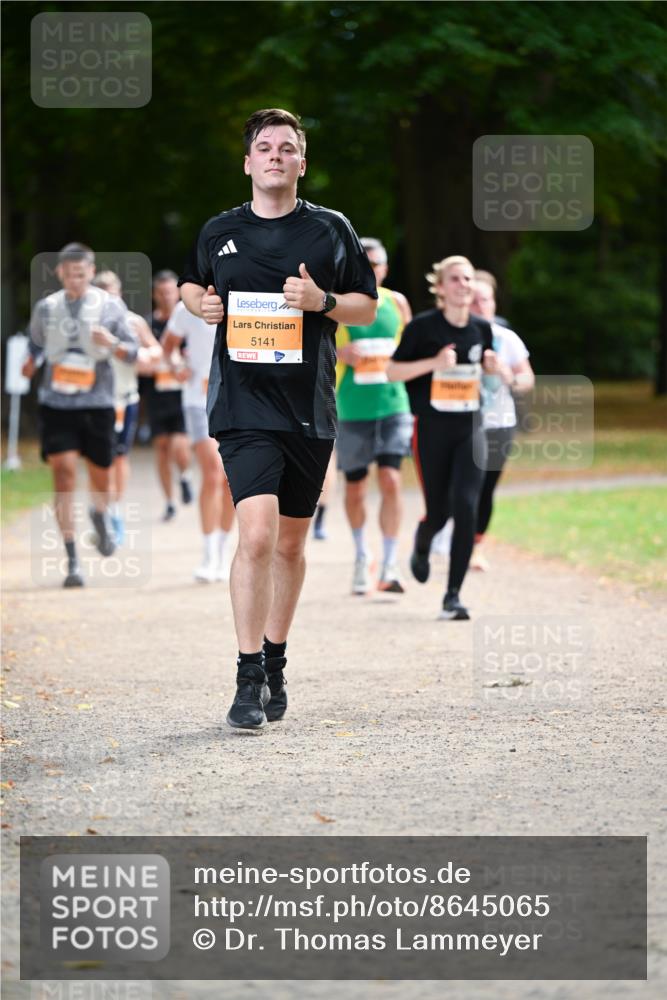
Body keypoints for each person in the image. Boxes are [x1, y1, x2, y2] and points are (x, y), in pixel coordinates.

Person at [180, 107, 377, 730]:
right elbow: (192, 285)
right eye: (263, 147)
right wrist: (200, 304)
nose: (274, 156)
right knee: (257, 535)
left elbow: (367, 308)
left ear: (301, 162)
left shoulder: (330, 229)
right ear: (247, 162)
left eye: (286, 148)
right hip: (241, 405)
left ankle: (276, 658)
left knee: (290, 544)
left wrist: (322, 302)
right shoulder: (220, 230)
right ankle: (246, 678)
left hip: (308, 407)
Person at [387, 255, 498, 620]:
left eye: (467, 278)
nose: (463, 284)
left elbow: (487, 377)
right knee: (440, 511)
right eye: (455, 279)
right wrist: (433, 364)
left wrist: (491, 370)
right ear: (440, 286)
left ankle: (453, 595)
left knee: (466, 506)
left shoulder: (483, 329)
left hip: (471, 428)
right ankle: (423, 540)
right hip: (432, 428)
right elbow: (392, 371)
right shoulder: (422, 328)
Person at [22, 243, 138, 587]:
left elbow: (132, 353)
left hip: (98, 403)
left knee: (101, 476)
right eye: (70, 274)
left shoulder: (110, 307)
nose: (76, 280)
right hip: (56, 404)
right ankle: (72, 559)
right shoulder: (47, 308)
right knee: (64, 471)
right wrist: (30, 364)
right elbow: (34, 348)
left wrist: (112, 343)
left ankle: (99, 514)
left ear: (91, 271)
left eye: (82, 273)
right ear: (60, 273)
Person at [335, 237, 413, 594]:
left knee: (392, 480)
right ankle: (361, 554)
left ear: (385, 267)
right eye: (364, 264)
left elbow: (413, 349)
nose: (371, 269)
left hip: (393, 404)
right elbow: (317, 350)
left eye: (377, 263)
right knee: (355, 488)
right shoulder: (339, 303)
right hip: (352, 408)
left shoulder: (397, 303)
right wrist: (340, 354)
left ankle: (391, 561)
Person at [162, 301, 236, 582]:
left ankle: (222, 545)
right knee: (213, 471)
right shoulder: (188, 307)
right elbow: (167, 346)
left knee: (232, 478)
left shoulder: (245, 294)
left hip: (239, 401)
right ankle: (208, 554)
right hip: (199, 399)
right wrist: (177, 365)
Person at [469, 271, 535, 570]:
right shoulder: (449, 335)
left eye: (486, 299)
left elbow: (527, 380)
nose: (480, 305)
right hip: (459, 424)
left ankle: (475, 546)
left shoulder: (507, 339)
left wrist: (506, 375)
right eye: (474, 300)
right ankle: (441, 527)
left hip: (499, 422)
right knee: (459, 486)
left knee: (485, 487)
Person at [92, 270, 163, 544]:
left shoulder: (132, 322)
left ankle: (114, 510)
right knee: (99, 460)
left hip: (125, 398)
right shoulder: (87, 325)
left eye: (113, 295)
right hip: (95, 401)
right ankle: (101, 509)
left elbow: (155, 353)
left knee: (119, 458)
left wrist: (142, 356)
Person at [145, 270, 193, 521]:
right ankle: (169, 502)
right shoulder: (148, 325)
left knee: (179, 446)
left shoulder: (187, 320)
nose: (166, 297)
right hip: (156, 395)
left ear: (177, 293)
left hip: (182, 395)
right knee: (161, 449)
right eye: (162, 293)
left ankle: (185, 475)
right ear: (155, 295)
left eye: (171, 292)